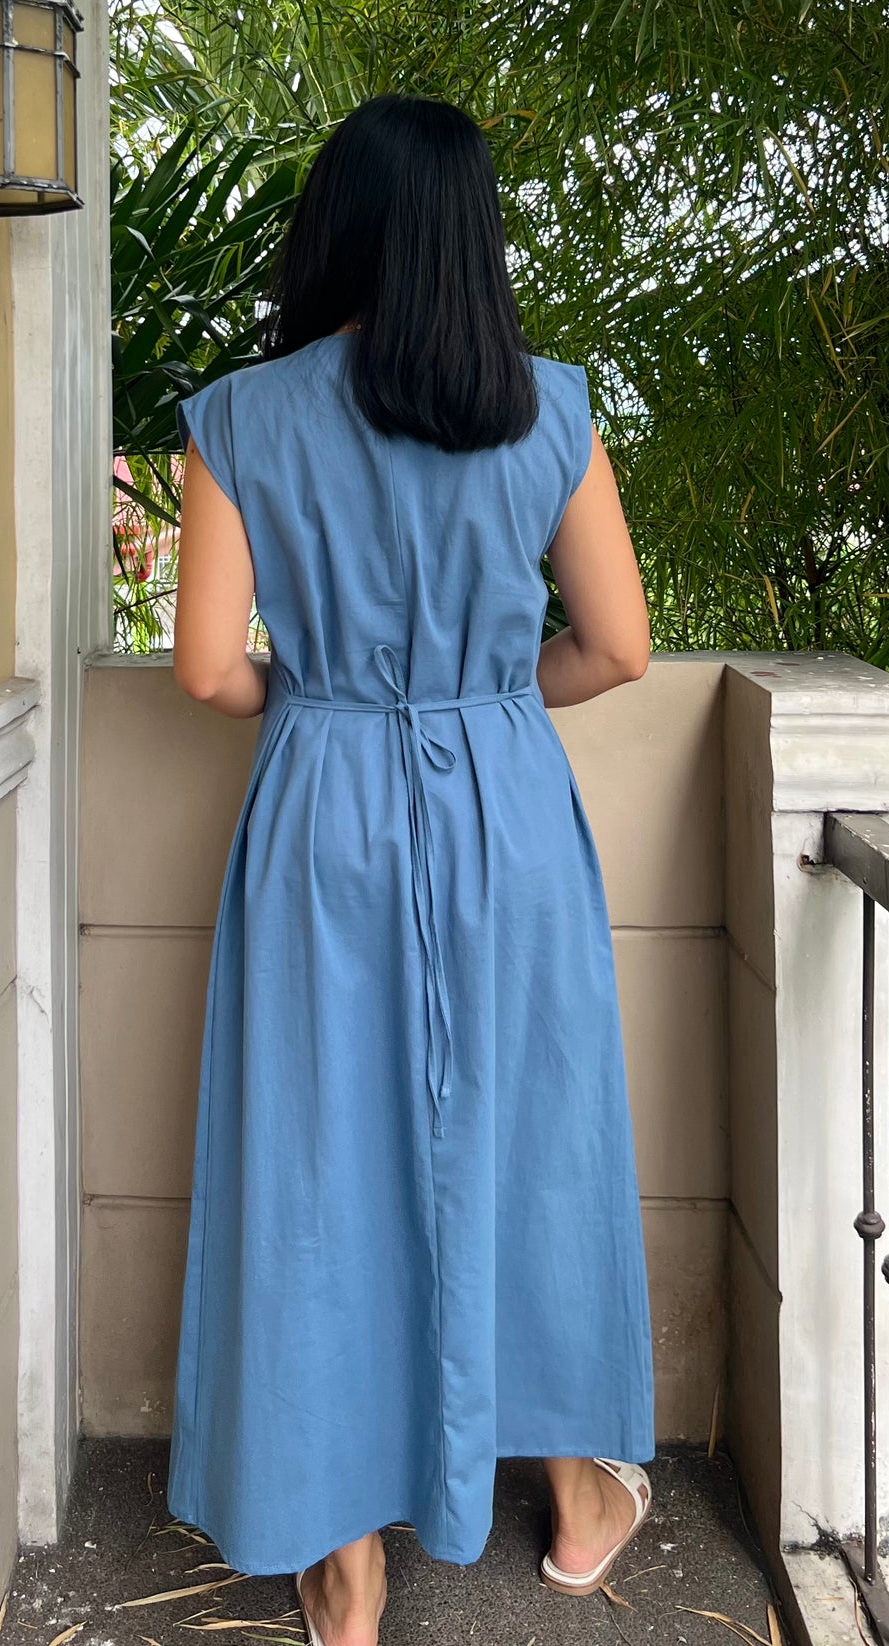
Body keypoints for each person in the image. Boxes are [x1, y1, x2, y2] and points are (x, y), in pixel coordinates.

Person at [166, 93, 655, 1646]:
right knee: (532, 1137)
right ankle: (580, 1495)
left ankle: (341, 1565)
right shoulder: (552, 410)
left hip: (323, 807)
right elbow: (620, 647)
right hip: (503, 804)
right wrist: (490, 700)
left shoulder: (241, 417)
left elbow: (200, 672)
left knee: (318, 1160)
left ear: (338, 226)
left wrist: (317, 705)